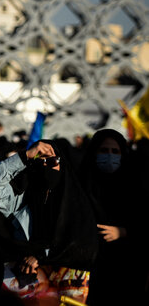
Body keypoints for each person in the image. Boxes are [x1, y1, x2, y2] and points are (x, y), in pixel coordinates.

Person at [0, 139, 98, 304]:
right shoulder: (21, 199)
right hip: (25, 283)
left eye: (52, 161)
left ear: (62, 163)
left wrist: (41, 256)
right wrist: (25, 156)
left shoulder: (76, 203)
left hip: (66, 286)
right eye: (39, 161)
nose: (45, 166)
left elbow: (83, 247)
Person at [78, 129, 148, 305]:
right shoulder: (80, 183)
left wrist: (124, 232)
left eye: (115, 152)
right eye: (103, 151)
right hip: (87, 270)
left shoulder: (136, 186)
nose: (109, 156)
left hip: (126, 269)